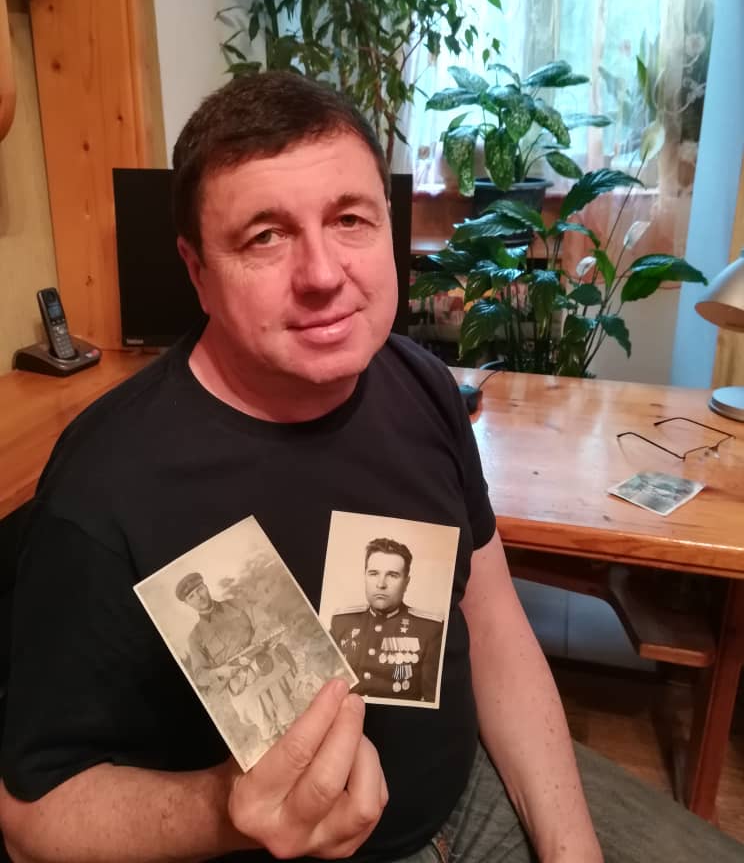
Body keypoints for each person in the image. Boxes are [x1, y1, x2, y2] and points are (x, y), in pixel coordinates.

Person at [0, 71, 740, 863]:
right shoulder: (103, 489)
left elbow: (492, 622)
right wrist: (222, 808)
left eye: (349, 219)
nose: (323, 275)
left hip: (477, 788)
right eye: (264, 236)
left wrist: (570, 849)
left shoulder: (422, 385)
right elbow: (32, 816)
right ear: (197, 271)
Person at [175, 573, 296, 750]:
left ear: (206, 587)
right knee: (270, 733)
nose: (199, 597)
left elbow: (263, 621)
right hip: (241, 685)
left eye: (199, 589)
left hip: (265, 666)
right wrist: (219, 672)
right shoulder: (195, 637)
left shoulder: (237, 604)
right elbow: (200, 675)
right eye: (191, 596)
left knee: (290, 720)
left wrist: (256, 645)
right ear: (188, 603)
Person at [330, 538, 443, 702]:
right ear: (364, 576)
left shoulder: (429, 630)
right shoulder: (342, 622)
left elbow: (432, 700)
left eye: (392, 575)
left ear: (406, 583)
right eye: (373, 573)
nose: (381, 584)